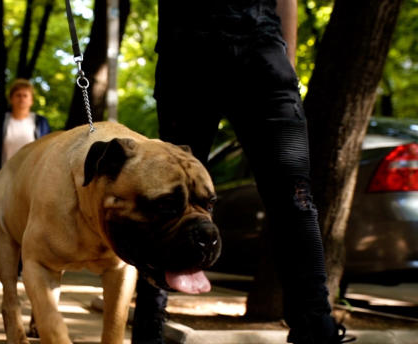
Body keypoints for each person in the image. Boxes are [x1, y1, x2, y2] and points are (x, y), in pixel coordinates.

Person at [132, 1, 353, 344]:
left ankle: (316, 326)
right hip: (188, 52)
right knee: (167, 194)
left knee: (296, 198)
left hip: (263, 55)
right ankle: (148, 329)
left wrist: (286, 62)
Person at [0, 78, 52, 176]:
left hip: (32, 178)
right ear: (11, 99)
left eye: (25, 95)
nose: (22, 99)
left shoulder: (41, 123)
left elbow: (48, 151)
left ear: (31, 100)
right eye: (18, 95)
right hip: (4, 178)